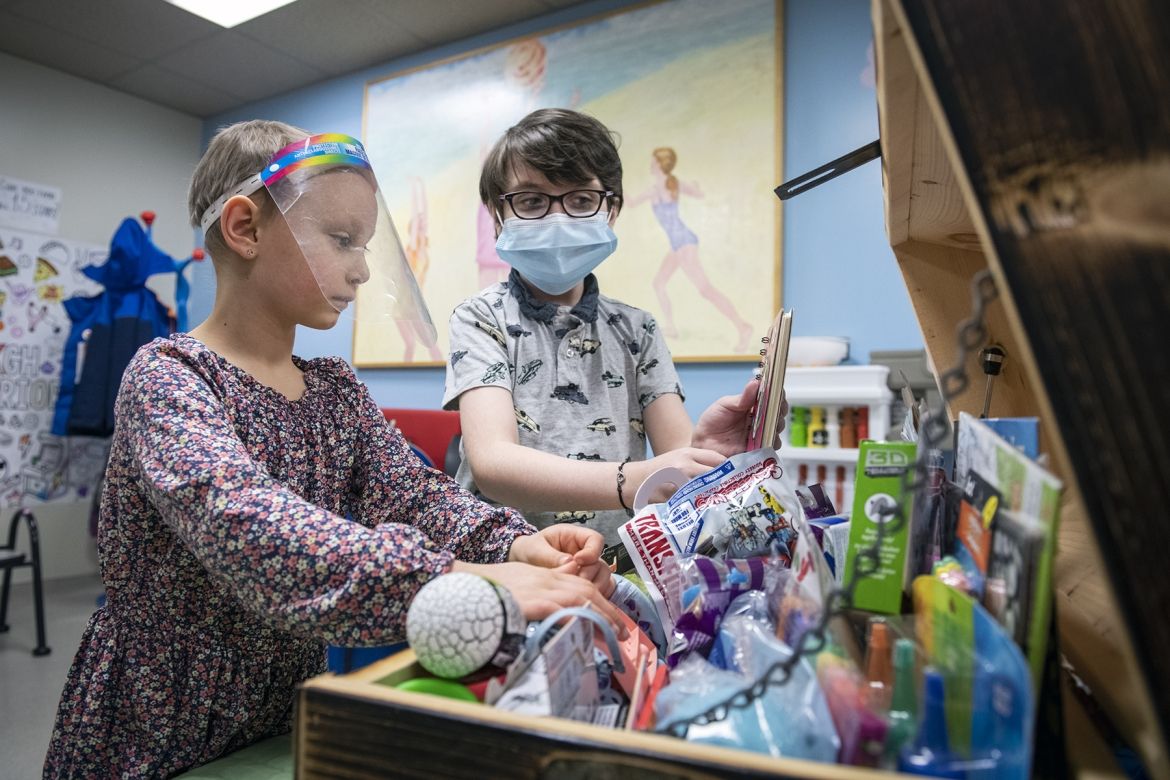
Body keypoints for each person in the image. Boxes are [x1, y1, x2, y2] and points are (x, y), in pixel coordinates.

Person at [42, 120, 622, 779]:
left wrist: (515, 546)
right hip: (157, 724)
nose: (364, 268)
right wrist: (459, 579)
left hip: (286, 705)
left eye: (366, 244)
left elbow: (414, 494)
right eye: (343, 240)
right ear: (245, 228)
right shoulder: (168, 378)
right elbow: (250, 528)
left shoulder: (334, 390)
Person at [444, 109, 774, 545]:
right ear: (497, 213)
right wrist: (633, 479)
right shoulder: (480, 317)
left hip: (616, 562)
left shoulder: (638, 329)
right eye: (531, 201)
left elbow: (676, 464)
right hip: (505, 560)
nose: (556, 219)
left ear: (611, 210)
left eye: (581, 200)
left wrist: (709, 451)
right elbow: (494, 466)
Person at [625, 147, 753, 352]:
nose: (650, 163)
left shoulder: (665, 186)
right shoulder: (662, 186)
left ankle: (743, 327)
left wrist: (695, 187)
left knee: (705, 289)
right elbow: (631, 203)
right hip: (677, 244)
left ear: (658, 164)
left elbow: (698, 193)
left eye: (653, 161)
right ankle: (671, 327)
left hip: (684, 242)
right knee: (658, 283)